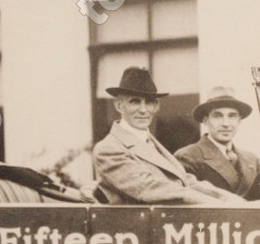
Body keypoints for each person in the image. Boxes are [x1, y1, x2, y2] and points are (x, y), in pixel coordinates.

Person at [92, 68, 247, 205]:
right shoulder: (108, 149)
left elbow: (186, 181)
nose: (143, 110)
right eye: (135, 102)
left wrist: (233, 201)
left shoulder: (151, 143)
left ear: (157, 106)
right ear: (119, 105)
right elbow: (151, 188)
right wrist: (219, 205)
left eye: (150, 102)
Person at [175, 87, 260, 196]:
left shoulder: (252, 160)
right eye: (217, 116)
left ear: (239, 120)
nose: (226, 123)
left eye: (232, 116)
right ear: (205, 120)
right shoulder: (187, 156)